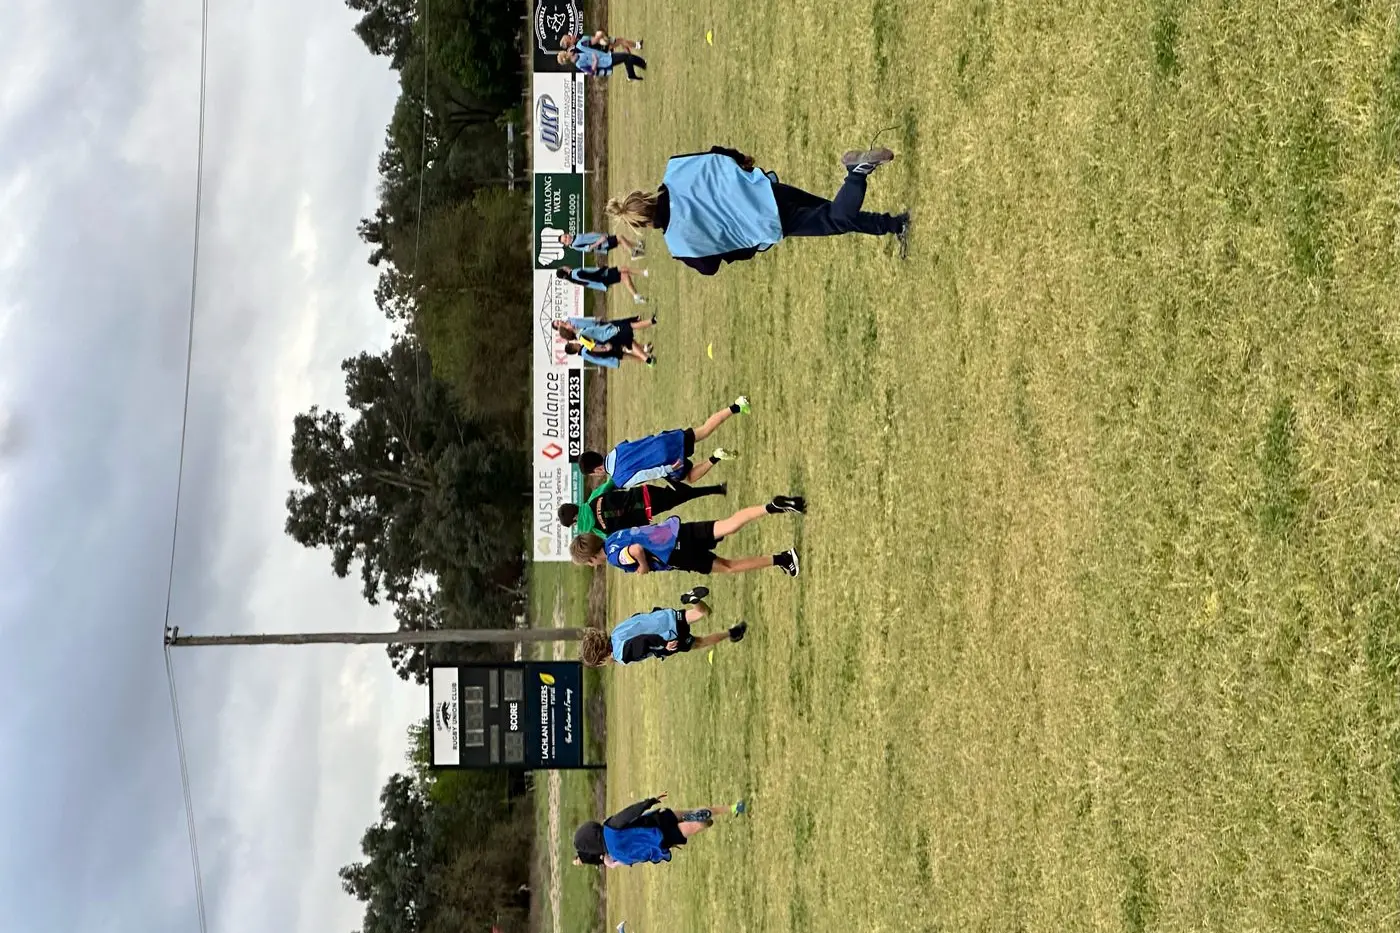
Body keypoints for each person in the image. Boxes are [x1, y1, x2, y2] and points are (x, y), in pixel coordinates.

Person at [605, 145, 910, 275]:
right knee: (831, 211)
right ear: (644, 195)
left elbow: (710, 267)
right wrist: (743, 161)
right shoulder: (675, 168)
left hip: (767, 221)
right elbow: (715, 153)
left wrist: (742, 249)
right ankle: (895, 224)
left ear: (642, 224)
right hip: (765, 189)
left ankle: (857, 171)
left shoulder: (678, 244)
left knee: (835, 218)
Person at [569, 495, 806, 577]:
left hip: (675, 553)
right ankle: (773, 507)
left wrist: (642, 567)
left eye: (589, 563)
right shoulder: (612, 537)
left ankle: (784, 559)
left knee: (728, 566)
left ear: (591, 558)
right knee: (729, 524)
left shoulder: (612, 556)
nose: (593, 565)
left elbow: (637, 551)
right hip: (673, 531)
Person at [579, 397, 749, 489]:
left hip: (665, 461)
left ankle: (716, 456)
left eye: (594, 474)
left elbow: (646, 475)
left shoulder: (619, 480)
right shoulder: (617, 448)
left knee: (689, 477)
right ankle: (737, 405)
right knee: (703, 430)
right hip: (662, 440)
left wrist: (667, 469)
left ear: (597, 470)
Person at [580, 587, 747, 667]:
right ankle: (693, 600)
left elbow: (643, 641)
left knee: (699, 642)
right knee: (700, 614)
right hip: (664, 618)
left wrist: (663, 644)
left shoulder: (621, 654)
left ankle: (732, 633)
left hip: (668, 637)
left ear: (601, 658)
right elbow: (636, 618)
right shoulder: (616, 632)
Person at [572, 794, 745, 868]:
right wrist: (649, 802)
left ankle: (700, 823)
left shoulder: (616, 855)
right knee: (686, 814)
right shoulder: (609, 828)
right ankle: (731, 808)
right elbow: (628, 814)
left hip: (659, 842)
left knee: (688, 828)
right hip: (654, 822)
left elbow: (640, 856)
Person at [558, 476, 726, 537]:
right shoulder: (594, 497)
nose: (575, 526)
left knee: (680, 495)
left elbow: (620, 536)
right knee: (679, 495)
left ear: (574, 519)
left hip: (647, 511)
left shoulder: (597, 531)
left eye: (573, 524)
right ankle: (716, 489)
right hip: (644, 493)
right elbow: (613, 483)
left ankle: (717, 489)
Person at [552, 316, 655, 367]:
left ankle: (647, 359)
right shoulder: (581, 337)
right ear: (568, 330)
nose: (568, 323)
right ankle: (653, 321)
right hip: (611, 334)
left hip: (610, 333)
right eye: (566, 325)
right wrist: (605, 348)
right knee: (630, 329)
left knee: (631, 342)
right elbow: (592, 347)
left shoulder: (580, 333)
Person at [556, 38, 647, 81]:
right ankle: (639, 67)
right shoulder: (579, 64)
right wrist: (595, 61)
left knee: (626, 58)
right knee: (626, 57)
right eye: (567, 52)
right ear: (567, 56)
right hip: (605, 62)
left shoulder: (577, 53)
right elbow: (591, 72)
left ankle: (638, 69)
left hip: (605, 56)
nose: (568, 51)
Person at [556, 264, 647, 304]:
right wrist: (602, 270)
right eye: (563, 267)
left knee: (624, 271)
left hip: (603, 278)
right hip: (603, 277)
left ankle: (643, 274)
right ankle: (644, 273)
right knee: (624, 274)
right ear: (564, 270)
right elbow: (593, 277)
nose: (565, 266)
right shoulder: (576, 274)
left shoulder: (574, 276)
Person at [562, 230, 644, 260]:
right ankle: (632, 253)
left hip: (602, 238)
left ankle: (638, 245)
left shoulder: (575, 237)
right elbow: (588, 248)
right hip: (602, 244)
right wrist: (599, 241)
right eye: (565, 240)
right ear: (566, 244)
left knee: (620, 241)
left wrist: (599, 235)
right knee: (620, 237)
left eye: (565, 236)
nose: (567, 238)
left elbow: (587, 237)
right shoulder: (575, 245)